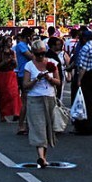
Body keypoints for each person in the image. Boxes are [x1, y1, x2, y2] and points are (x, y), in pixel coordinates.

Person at [22, 39, 61, 168]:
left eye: (43, 53)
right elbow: (25, 85)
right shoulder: (29, 66)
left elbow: (58, 82)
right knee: (38, 127)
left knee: (47, 127)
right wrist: (35, 80)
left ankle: (44, 157)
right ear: (33, 53)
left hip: (49, 97)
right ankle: (41, 157)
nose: (41, 56)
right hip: (35, 99)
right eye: (38, 54)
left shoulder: (52, 63)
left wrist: (49, 78)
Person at [0, 36, 20, 122]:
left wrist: (13, 61)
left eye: (11, 42)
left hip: (11, 74)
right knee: (4, 96)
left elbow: (16, 65)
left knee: (14, 93)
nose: (11, 44)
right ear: (5, 43)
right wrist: (4, 62)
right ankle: (3, 114)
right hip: (2, 75)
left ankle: (16, 112)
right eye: (9, 42)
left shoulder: (13, 52)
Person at [13, 28, 34, 135]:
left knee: (28, 101)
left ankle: (26, 125)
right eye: (32, 36)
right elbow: (31, 57)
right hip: (23, 74)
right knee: (25, 101)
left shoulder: (26, 45)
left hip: (29, 73)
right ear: (28, 36)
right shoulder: (21, 45)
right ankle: (21, 125)